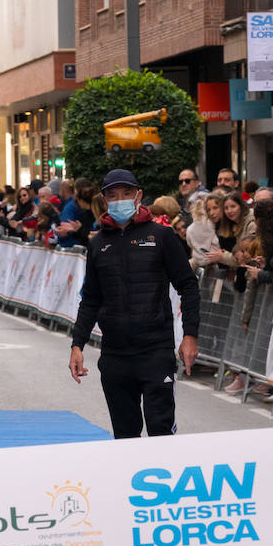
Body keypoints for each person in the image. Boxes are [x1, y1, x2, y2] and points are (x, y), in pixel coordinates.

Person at [68, 169, 200, 438]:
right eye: (113, 195)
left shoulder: (161, 236)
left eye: (126, 194)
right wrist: (77, 344)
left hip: (156, 351)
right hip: (115, 356)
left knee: (160, 431)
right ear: (104, 199)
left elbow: (188, 286)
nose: (120, 200)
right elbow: (91, 299)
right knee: (125, 437)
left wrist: (190, 336)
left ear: (138, 196)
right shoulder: (98, 244)